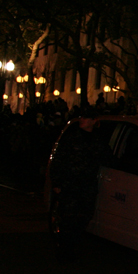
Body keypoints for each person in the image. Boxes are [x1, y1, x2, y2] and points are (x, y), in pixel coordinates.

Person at [49, 105, 111, 262]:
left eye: (86, 118)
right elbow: (59, 159)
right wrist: (57, 182)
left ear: (93, 121)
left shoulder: (98, 139)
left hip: (86, 185)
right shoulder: (72, 138)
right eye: (82, 117)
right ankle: (64, 251)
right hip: (70, 184)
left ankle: (72, 246)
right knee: (68, 218)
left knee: (83, 216)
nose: (82, 120)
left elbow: (107, 157)